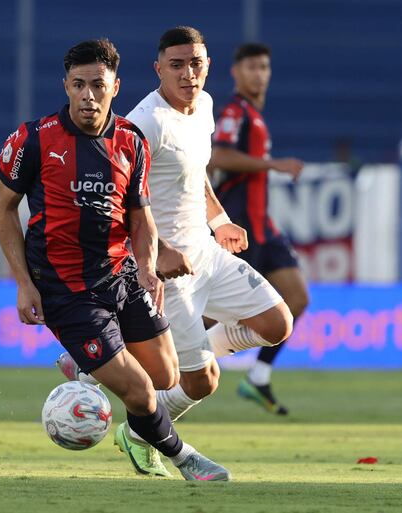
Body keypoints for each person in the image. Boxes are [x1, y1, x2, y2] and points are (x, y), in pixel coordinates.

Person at [59, 27, 293, 476]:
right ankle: (144, 422)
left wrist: (219, 220)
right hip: (170, 269)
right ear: (158, 69)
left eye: (196, 63)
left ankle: (131, 368)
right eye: (177, 65)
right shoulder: (144, 123)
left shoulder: (204, 106)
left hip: (205, 253)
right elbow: (117, 198)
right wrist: (157, 254)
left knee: (277, 323)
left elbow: (197, 174)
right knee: (202, 382)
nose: (189, 74)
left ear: (208, 65)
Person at [0, 38, 229, 481]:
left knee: (165, 376)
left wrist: (146, 265)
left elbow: (141, 217)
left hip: (121, 275)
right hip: (65, 288)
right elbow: (4, 208)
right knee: (141, 392)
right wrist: (24, 283)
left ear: (115, 87)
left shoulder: (130, 142)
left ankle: (89, 363)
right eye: (79, 85)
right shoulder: (33, 140)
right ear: (65, 86)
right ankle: (186, 460)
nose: (88, 95)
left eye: (98, 86)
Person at [209, 43, 310, 415]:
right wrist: (273, 165)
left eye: (264, 67)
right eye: (252, 66)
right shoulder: (236, 110)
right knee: (204, 312)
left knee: (297, 297)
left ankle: (259, 376)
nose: (259, 74)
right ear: (236, 72)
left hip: (263, 227)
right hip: (240, 225)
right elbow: (218, 156)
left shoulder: (256, 115)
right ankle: (158, 359)